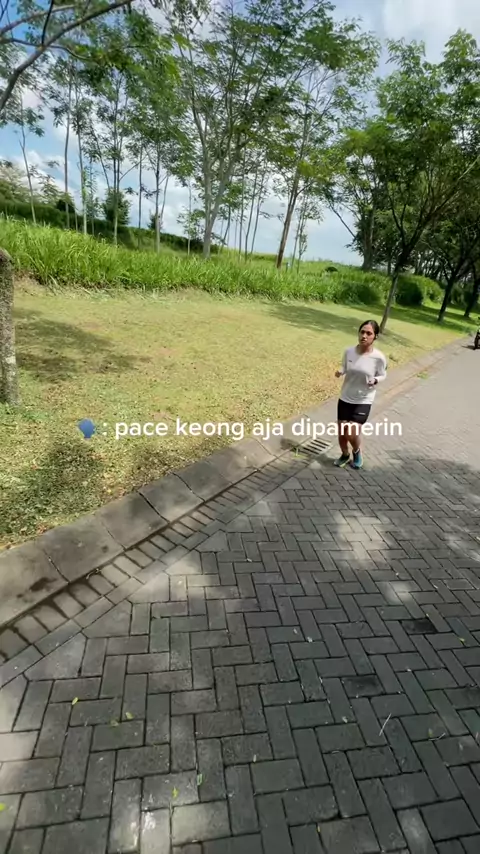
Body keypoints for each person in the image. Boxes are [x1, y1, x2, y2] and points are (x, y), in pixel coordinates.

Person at [333, 319, 387, 469]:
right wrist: (340, 371)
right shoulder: (349, 351)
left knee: (351, 431)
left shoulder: (378, 357)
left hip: (363, 399)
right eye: (362, 332)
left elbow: (383, 374)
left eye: (369, 333)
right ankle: (345, 454)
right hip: (346, 396)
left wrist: (375, 379)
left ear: (375, 336)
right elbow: (345, 366)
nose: (364, 336)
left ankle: (356, 452)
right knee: (342, 432)